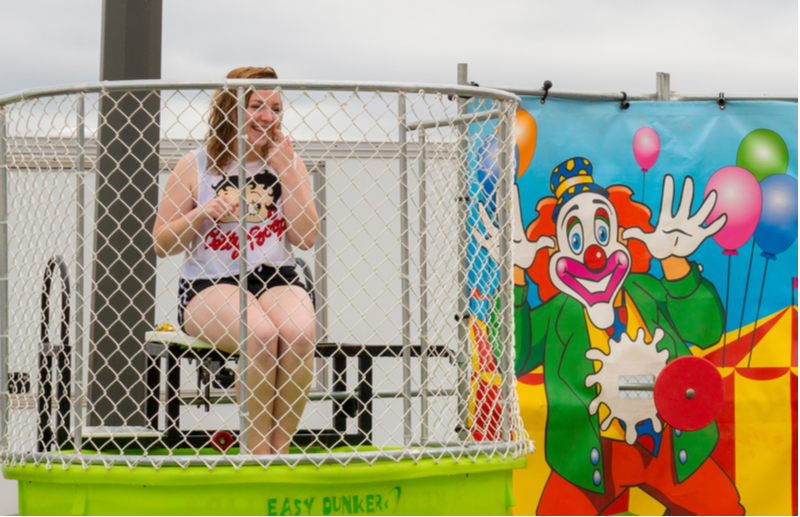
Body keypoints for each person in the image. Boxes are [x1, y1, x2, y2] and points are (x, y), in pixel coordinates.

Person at [153, 66, 319, 455]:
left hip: (274, 274)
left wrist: (288, 172)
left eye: (276, 107)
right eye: (257, 105)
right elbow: (162, 242)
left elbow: (305, 237)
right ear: (232, 109)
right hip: (210, 282)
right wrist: (203, 213)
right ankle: (257, 453)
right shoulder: (196, 165)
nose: (267, 115)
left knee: (298, 334)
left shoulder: (289, 163)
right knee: (259, 335)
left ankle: (278, 453)